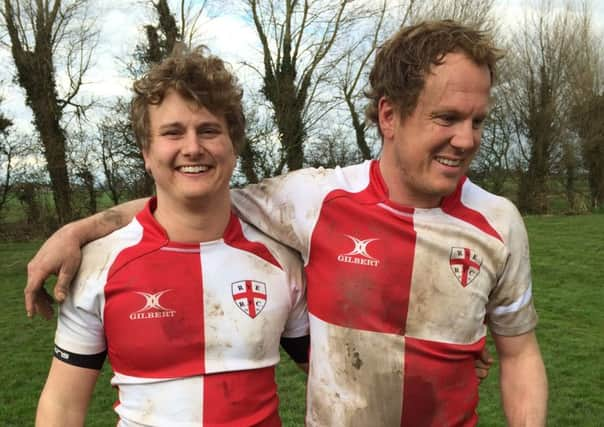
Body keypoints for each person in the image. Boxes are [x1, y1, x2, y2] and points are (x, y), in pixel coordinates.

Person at [25, 20, 545, 426]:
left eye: (478, 121)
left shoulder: (499, 222)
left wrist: (434, 358)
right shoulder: (313, 198)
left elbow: (520, 354)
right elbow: (192, 200)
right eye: (447, 118)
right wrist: (76, 232)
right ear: (390, 116)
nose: (467, 139)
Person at [35, 46, 309, 426]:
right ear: (147, 152)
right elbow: (62, 407)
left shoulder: (281, 261)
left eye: (209, 130)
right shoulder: (98, 265)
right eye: (173, 132)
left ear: (233, 146)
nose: (193, 147)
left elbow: (334, 382)